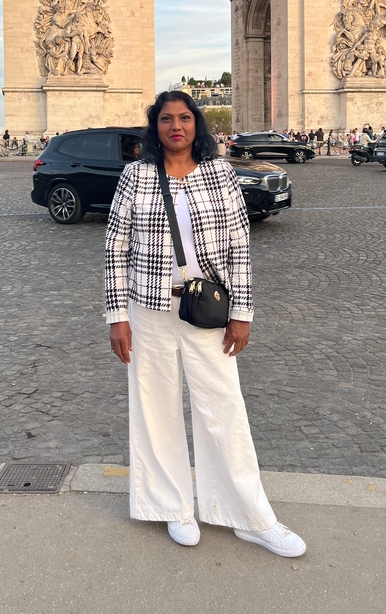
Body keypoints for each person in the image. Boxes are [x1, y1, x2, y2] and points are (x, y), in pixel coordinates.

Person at [105, 91, 305, 557]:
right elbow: (115, 250)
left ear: (198, 125)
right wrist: (117, 317)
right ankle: (172, 507)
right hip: (148, 309)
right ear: (154, 128)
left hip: (208, 310)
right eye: (167, 119)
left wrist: (242, 314)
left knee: (224, 409)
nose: (177, 126)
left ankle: (250, 517)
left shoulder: (221, 174)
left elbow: (240, 247)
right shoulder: (135, 176)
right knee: (155, 411)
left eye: (185, 118)